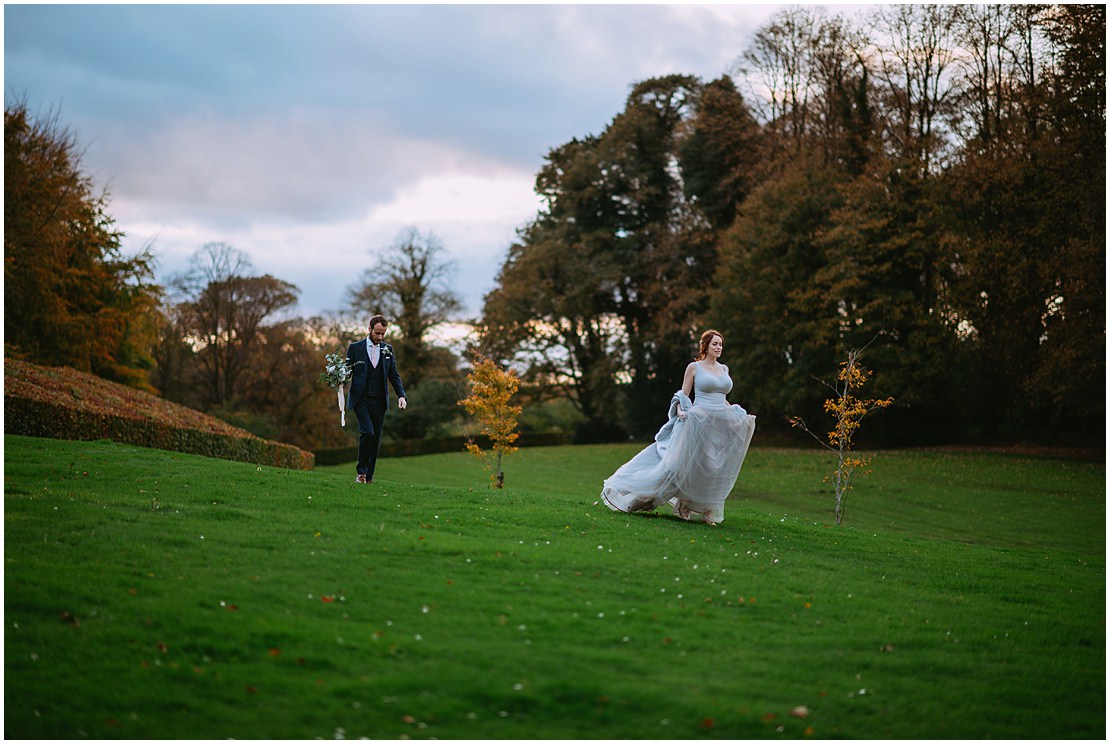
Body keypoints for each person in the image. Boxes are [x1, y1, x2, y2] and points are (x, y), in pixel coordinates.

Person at [601, 330, 756, 525]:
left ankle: (708, 510)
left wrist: (737, 415)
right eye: (715, 344)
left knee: (713, 467)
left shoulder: (724, 369)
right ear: (706, 346)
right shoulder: (694, 367)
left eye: (721, 345)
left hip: (719, 424)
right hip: (698, 422)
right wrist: (681, 410)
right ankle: (641, 499)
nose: (719, 348)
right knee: (682, 466)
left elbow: (722, 398)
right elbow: (683, 394)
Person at [346, 315, 407, 484]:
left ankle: (369, 476)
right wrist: (338, 377)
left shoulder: (388, 350)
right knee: (367, 432)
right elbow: (347, 371)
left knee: (376, 438)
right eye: (377, 333)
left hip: (380, 401)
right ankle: (361, 472)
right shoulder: (355, 348)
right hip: (361, 399)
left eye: (383, 334)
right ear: (369, 329)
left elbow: (393, 374)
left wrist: (401, 395)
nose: (379, 337)